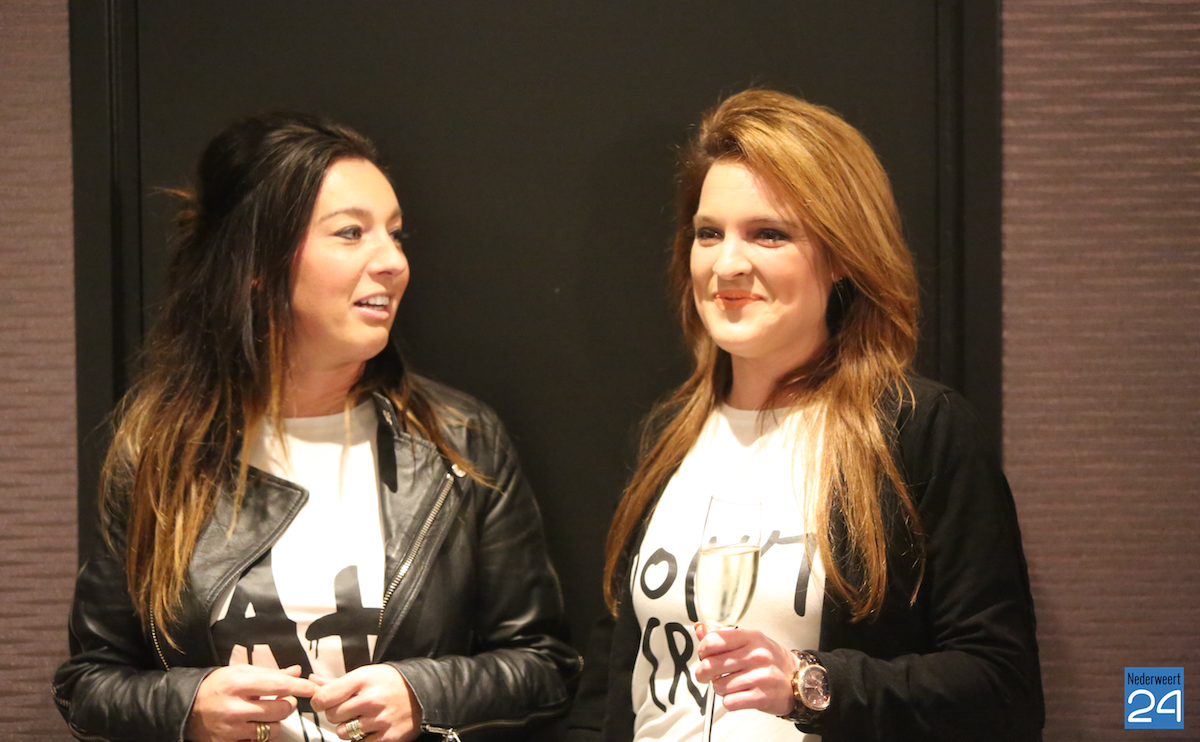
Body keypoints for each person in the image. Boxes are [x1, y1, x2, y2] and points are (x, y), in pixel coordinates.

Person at [54, 112, 580, 742]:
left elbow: (546, 668)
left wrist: (424, 695)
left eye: (396, 234)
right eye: (351, 233)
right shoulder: (158, 452)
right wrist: (188, 706)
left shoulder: (460, 440)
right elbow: (89, 684)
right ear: (258, 262)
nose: (393, 261)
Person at [566, 89, 1043, 741]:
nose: (727, 264)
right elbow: (608, 684)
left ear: (842, 254)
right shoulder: (667, 436)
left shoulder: (919, 431)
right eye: (709, 233)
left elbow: (1003, 689)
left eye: (769, 233)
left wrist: (808, 684)